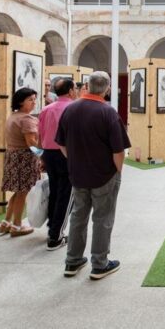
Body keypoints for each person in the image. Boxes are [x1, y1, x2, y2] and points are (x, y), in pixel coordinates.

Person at [56, 71, 131, 280]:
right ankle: (100, 263)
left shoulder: (70, 110)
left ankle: (72, 261)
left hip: (78, 173)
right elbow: (119, 151)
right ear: (107, 89)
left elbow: (61, 143)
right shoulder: (108, 113)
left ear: (86, 86)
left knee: (78, 215)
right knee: (103, 217)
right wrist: (117, 171)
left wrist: (74, 160)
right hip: (104, 175)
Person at [38, 77, 77, 251]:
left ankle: (52, 227)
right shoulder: (73, 109)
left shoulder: (46, 109)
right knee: (66, 194)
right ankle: (55, 236)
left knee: (55, 190)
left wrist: (41, 157)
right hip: (65, 154)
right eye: (75, 88)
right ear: (70, 91)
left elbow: (41, 135)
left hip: (48, 154)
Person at [0, 87, 41, 237]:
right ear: (20, 102)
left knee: (17, 192)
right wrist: (42, 155)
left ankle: (6, 222)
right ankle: (17, 225)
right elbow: (31, 143)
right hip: (24, 158)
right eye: (30, 100)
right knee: (22, 193)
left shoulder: (13, 117)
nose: (34, 102)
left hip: (12, 156)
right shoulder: (26, 119)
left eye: (34, 99)